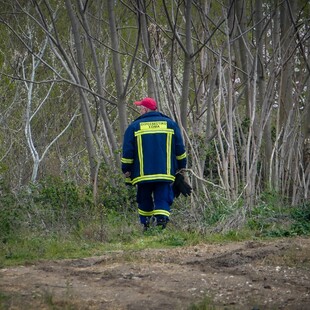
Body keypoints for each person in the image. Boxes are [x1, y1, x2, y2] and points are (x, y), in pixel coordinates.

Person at [121, 97, 187, 231]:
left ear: (145, 109)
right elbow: (180, 148)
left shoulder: (134, 127)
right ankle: (161, 224)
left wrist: (126, 169)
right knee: (162, 197)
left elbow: (128, 152)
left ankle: (146, 226)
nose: (139, 110)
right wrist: (181, 167)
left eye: (140, 108)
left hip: (142, 174)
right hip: (165, 172)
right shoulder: (171, 124)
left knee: (144, 198)